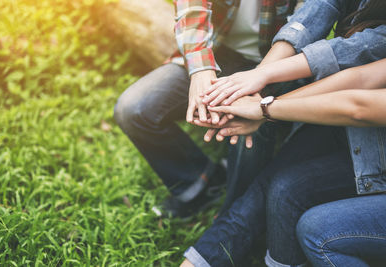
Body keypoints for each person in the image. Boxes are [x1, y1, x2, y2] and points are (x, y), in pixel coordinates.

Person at [179, 0, 386, 266]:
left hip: (369, 137)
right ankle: (203, 258)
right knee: (272, 185)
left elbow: (360, 103)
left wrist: (265, 107)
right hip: (354, 127)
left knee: (311, 223)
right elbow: (361, 77)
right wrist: (262, 98)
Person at [113, 0, 302, 219]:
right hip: (216, 50)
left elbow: (301, 29)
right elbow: (191, 8)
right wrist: (201, 70)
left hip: (276, 66)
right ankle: (200, 183)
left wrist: (258, 81)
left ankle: (234, 218)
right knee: (133, 108)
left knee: (248, 130)